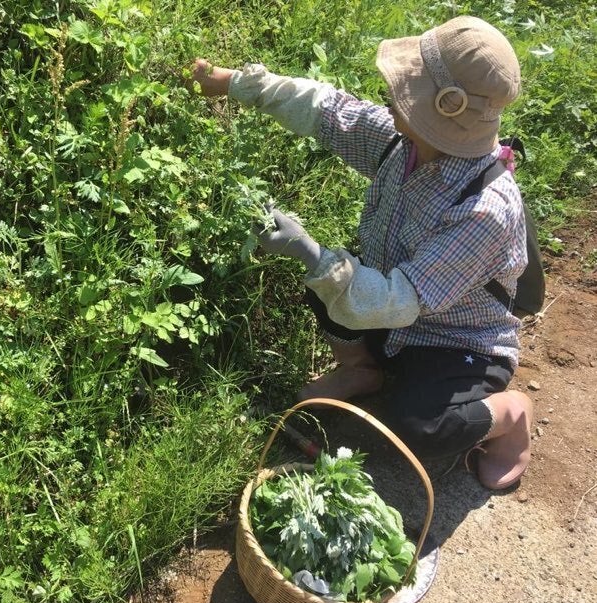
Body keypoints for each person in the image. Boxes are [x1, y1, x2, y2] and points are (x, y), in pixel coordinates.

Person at [189, 16, 533, 490]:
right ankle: (361, 369)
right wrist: (231, 82)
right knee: (329, 284)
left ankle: (512, 414)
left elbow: (397, 300)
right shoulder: (404, 140)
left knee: (420, 427)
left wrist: (309, 251)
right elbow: (325, 110)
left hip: (457, 340)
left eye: (406, 91)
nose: (392, 95)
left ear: (444, 113)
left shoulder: (483, 209)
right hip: (395, 309)